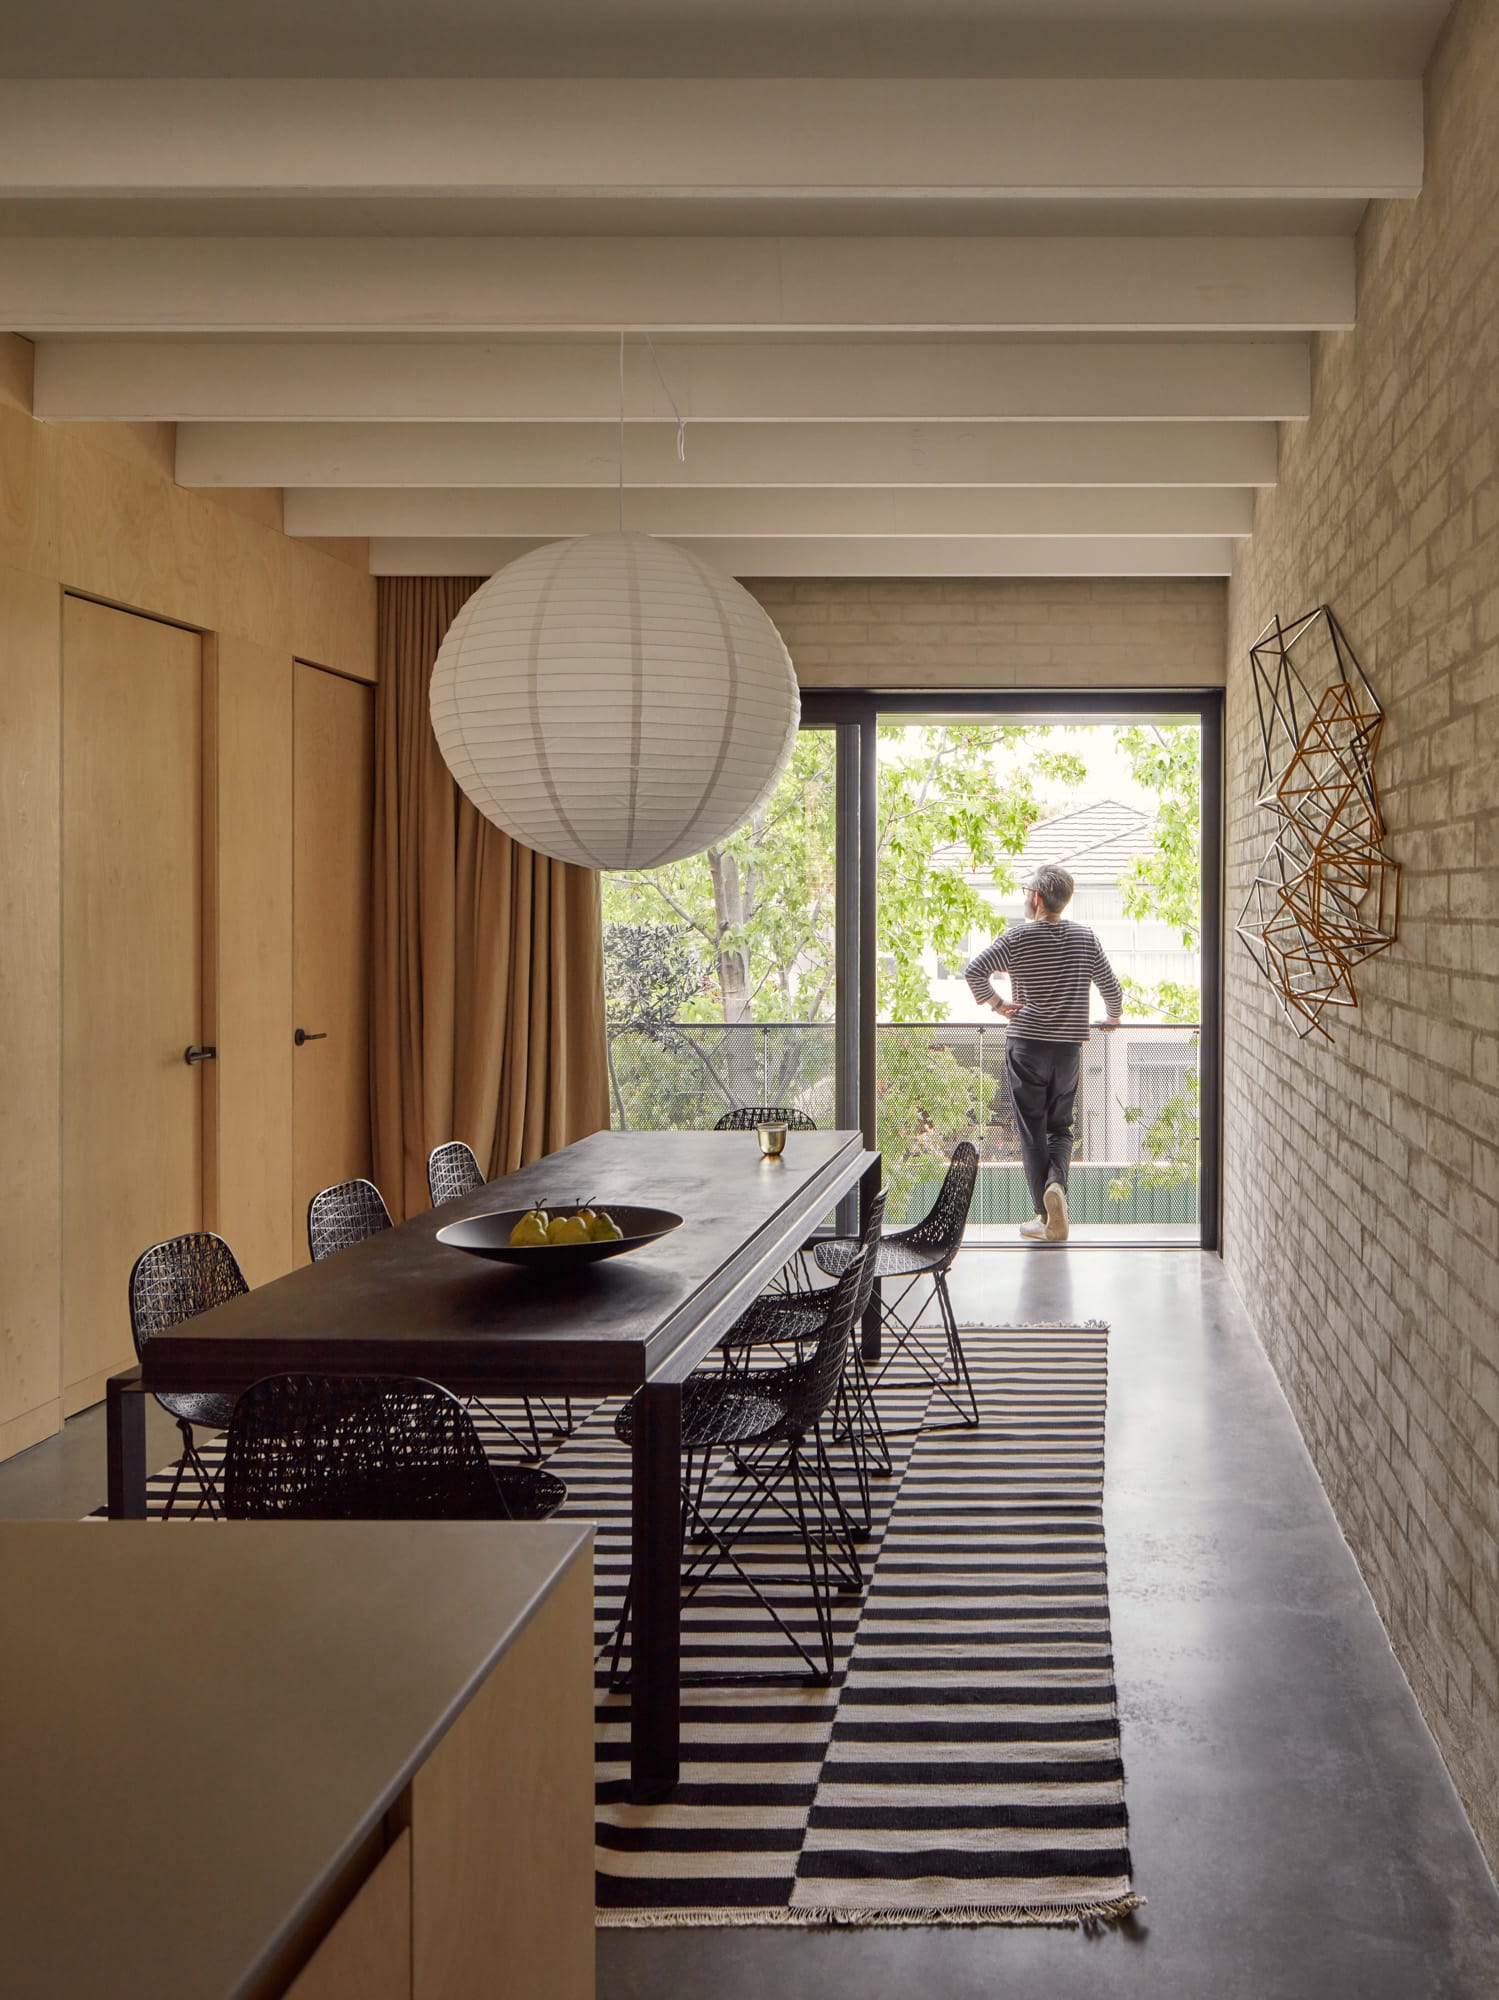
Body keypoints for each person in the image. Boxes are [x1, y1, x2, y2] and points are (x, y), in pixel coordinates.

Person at [964, 863, 1123, 1245]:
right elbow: (1111, 987)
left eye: (1025, 891)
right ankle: (1056, 1186)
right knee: (1061, 1128)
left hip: (1026, 1047)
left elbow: (974, 971)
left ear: (1036, 897)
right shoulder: (1085, 938)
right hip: (1067, 1049)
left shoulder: (1018, 938)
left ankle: (1044, 1214)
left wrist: (997, 1003)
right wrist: (1112, 1018)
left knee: (1032, 1132)